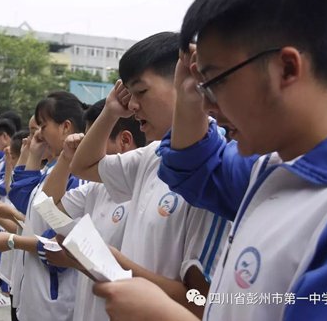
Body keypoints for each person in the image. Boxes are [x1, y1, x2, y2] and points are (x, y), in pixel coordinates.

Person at [96, 0, 327, 320]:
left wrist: (165, 314)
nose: (208, 106)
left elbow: (196, 298)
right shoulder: (267, 169)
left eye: (216, 81)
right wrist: (188, 92)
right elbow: (194, 166)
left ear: (286, 69)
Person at [70, 32, 230, 318]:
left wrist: (123, 268)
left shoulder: (216, 169)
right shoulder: (151, 155)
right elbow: (82, 166)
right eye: (128, 95)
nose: (132, 105)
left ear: (186, 81)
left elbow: (200, 300)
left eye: (141, 92)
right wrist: (109, 112)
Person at [0, 91, 88, 321]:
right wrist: (33, 153)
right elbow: (23, 199)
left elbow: (60, 242)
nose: (37, 135)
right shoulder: (52, 169)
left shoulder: (76, 176)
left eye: (42, 126)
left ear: (65, 127)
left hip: (54, 299)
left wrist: (12, 241)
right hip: (32, 290)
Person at [41, 99, 145, 321]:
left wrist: (75, 260)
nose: (83, 153)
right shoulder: (96, 188)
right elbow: (48, 204)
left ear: (125, 141)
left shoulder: (145, 191)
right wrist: (66, 158)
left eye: (91, 142)